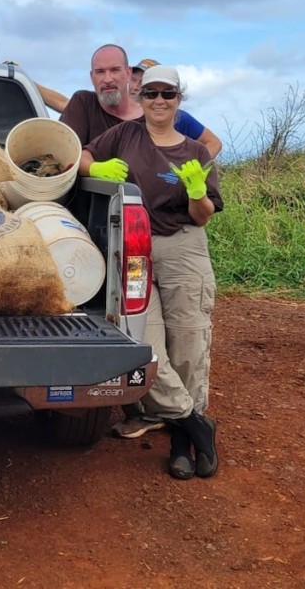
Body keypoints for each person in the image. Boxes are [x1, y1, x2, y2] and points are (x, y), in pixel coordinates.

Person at [78, 65, 222, 479]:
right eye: (152, 93)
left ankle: (181, 441)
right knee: (145, 343)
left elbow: (204, 216)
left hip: (182, 247)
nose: (159, 101)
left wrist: (197, 193)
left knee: (190, 341)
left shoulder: (195, 151)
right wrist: (95, 169)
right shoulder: (124, 135)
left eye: (168, 94)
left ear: (180, 100)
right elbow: (85, 154)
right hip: (135, 249)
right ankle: (194, 423)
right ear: (140, 98)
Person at [30, 47, 223, 157]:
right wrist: (25, 81)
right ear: (129, 77)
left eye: (148, 84)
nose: (139, 85)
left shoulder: (172, 117)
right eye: (136, 80)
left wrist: (190, 171)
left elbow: (213, 142)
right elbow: (64, 103)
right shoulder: (88, 105)